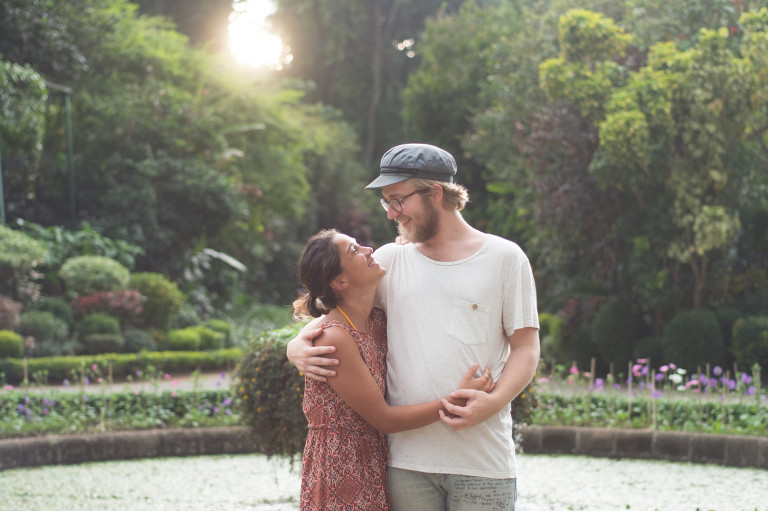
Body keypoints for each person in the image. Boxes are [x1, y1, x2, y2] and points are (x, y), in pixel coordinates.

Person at [288, 143, 540, 511]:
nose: (391, 213)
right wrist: (296, 345)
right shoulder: (389, 261)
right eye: (386, 202)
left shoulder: (505, 258)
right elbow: (335, 312)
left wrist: (494, 402)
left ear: (435, 193)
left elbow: (526, 347)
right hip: (405, 466)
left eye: (398, 200)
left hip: (484, 462)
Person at [293, 228, 496, 510]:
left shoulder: (376, 321)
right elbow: (384, 419)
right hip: (339, 471)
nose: (368, 250)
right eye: (355, 250)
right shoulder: (333, 338)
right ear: (340, 281)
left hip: (373, 464)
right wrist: (456, 401)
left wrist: (415, 248)